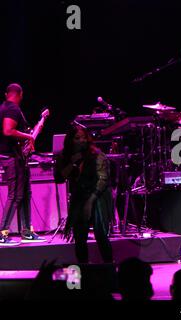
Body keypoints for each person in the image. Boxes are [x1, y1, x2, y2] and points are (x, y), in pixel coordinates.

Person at [54, 126, 113, 263]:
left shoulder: (96, 155)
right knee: (80, 236)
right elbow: (59, 178)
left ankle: (109, 268)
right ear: (70, 140)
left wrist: (90, 201)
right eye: (77, 138)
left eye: (84, 137)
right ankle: (84, 270)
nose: (82, 141)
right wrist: (72, 163)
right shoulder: (65, 156)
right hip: (80, 195)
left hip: (97, 195)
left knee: (101, 234)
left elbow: (103, 180)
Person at [0, 83, 46, 245]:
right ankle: (2, 232)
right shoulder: (11, 108)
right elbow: (7, 131)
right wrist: (29, 137)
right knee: (15, 196)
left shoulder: (6, 107)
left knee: (26, 194)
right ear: (20, 94)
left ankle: (26, 232)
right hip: (11, 158)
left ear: (7, 94)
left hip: (18, 157)